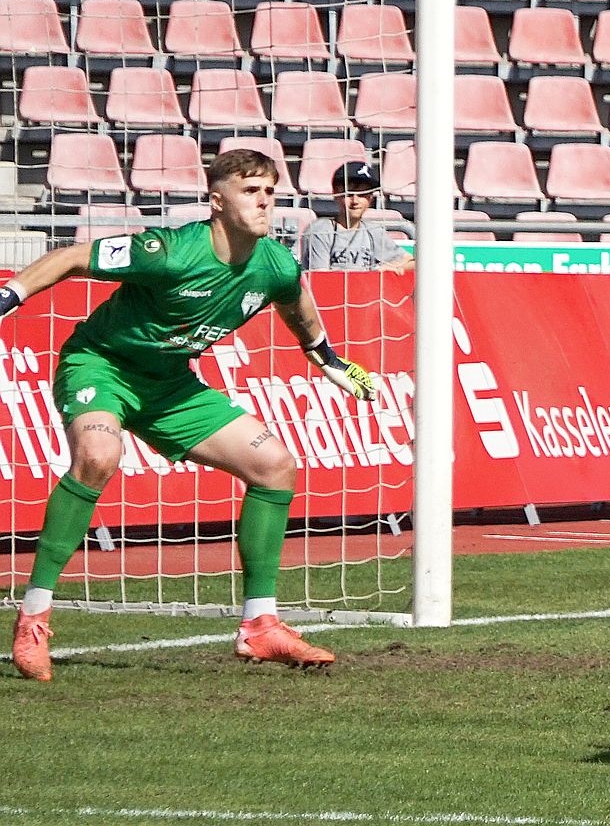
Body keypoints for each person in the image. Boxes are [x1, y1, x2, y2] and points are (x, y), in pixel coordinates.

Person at [3, 148, 376, 682]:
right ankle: (34, 617)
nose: (264, 201)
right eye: (250, 190)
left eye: (270, 191)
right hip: (102, 366)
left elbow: (298, 306)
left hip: (170, 385)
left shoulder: (275, 264)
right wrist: (9, 296)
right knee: (99, 455)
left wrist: (329, 360)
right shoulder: (170, 251)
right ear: (217, 201)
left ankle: (260, 626)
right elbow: (70, 258)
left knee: (274, 466)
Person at [301, 162, 413, 273]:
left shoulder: (373, 231)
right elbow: (320, 277)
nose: (355, 201)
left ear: (370, 198)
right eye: (349, 194)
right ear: (336, 194)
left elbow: (411, 261)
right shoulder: (321, 230)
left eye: (362, 195)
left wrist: (392, 267)